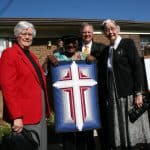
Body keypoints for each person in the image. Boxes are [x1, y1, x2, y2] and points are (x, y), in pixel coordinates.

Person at [100, 19, 150, 150]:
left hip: (128, 93)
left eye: (112, 28)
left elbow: (137, 68)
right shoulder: (106, 51)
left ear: (117, 29)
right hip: (114, 95)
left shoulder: (127, 43)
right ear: (104, 33)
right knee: (120, 125)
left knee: (132, 124)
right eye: (107, 30)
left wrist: (138, 93)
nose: (110, 32)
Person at [0, 21, 51, 150]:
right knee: (29, 145)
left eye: (30, 34)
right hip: (25, 114)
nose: (27, 37)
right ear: (17, 35)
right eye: (24, 34)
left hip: (39, 111)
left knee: (41, 145)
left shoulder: (32, 55)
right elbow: (8, 87)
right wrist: (16, 116)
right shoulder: (9, 54)